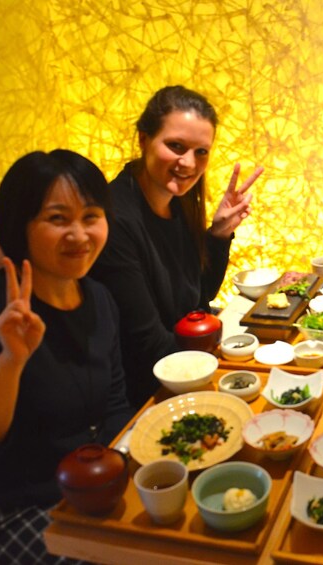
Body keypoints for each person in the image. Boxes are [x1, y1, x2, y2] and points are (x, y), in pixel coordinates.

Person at [0, 150, 134, 563]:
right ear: (20, 226)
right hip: (3, 507)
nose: (79, 235)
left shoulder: (100, 298)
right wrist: (11, 362)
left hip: (87, 488)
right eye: (57, 219)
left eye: (91, 216)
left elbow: (114, 407)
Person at [90, 85, 264, 408]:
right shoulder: (116, 219)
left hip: (185, 363)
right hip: (150, 389)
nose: (188, 163)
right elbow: (148, 344)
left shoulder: (178, 202)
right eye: (176, 146)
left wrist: (219, 234)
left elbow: (200, 297)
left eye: (201, 152)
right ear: (144, 139)